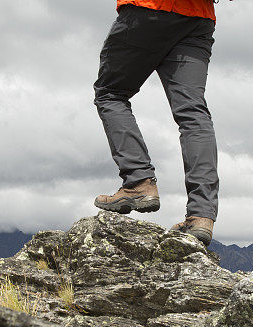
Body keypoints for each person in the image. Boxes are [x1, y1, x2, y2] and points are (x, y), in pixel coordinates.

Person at [93, 0, 219, 246]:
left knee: (110, 93)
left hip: (147, 9)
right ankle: (202, 214)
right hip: (197, 17)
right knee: (193, 112)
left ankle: (139, 181)